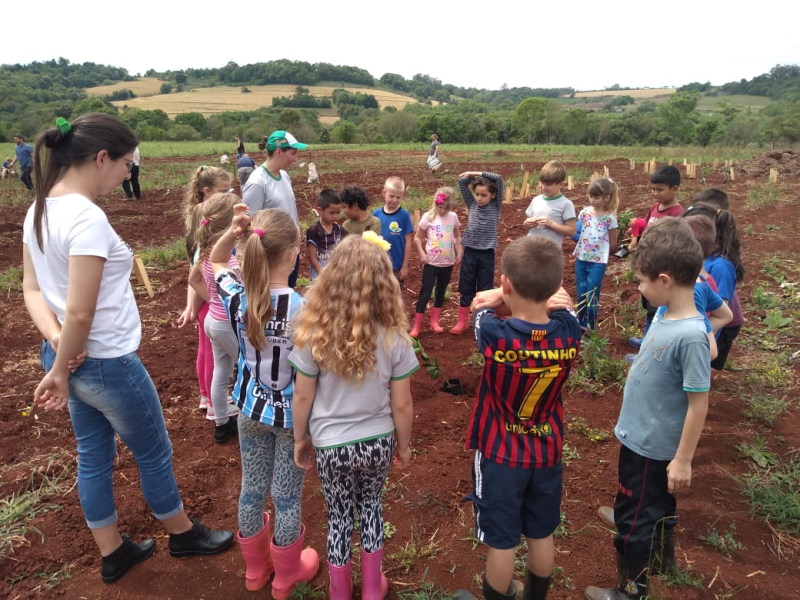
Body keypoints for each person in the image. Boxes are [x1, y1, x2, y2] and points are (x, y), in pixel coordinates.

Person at [22, 113, 232, 585]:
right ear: (101, 158)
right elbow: (81, 312)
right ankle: (182, 534)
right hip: (106, 362)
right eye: (125, 166)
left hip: (68, 355)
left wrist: (57, 348)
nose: (126, 176)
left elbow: (32, 290)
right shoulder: (86, 217)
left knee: (92, 454)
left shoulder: (39, 210)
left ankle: (113, 552)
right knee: (154, 451)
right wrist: (61, 366)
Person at [585, 218, 711, 600]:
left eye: (642, 281)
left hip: (650, 446)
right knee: (656, 501)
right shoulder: (664, 312)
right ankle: (661, 558)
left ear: (666, 280)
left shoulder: (689, 335)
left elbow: (699, 403)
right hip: (646, 437)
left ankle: (630, 589)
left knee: (633, 518)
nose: (639, 288)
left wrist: (683, 460)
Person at [289, 233, 417, 600]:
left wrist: (300, 438)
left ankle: (340, 592)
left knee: (339, 518)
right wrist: (403, 446)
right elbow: (402, 404)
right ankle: (373, 589)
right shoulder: (395, 337)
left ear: (331, 279)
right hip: (377, 442)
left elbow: (302, 394)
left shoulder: (314, 332)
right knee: (372, 507)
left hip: (331, 446)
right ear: (383, 283)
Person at [453, 236, 580, 600]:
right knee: (541, 532)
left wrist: (499, 293)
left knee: (502, 540)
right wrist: (519, 291)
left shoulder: (493, 332)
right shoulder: (570, 330)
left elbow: (482, 306)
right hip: (547, 452)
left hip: (500, 455)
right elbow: (564, 304)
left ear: (506, 283)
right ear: (555, 285)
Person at [210, 206, 319, 597]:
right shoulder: (307, 310)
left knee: (252, 489)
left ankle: (256, 570)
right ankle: (287, 576)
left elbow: (216, 261)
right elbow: (313, 374)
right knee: (287, 497)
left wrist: (233, 231)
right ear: (292, 254)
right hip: (292, 421)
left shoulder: (238, 298)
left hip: (249, 411)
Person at [178, 165, 232, 414]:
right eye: (223, 191)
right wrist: (208, 300)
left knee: (205, 348)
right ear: (207, 191)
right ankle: (213, 402)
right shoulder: (210, 229)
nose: (228, 195)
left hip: (204, 299)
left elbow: (194, 270)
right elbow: (196, 273)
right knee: (213, 353)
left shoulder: (201, 218)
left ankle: (205, 395)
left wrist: (192, 305)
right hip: (212, 301)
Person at [188, 193, 241, 443]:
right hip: (227, 324)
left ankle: (221, 423)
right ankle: (251, 417)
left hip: (212, 320)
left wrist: (212, 300)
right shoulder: (228, 259)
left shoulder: (205, 253)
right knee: (248, 366)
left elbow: (193, 280)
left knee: (221, 371)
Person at [626, 166, 683, 349]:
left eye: (660, 189)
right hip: (648, 265)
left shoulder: (677, 214)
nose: (655, 193)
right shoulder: (655, 208)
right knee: (648, 304)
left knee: (656, 309)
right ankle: (646, 340)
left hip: (661, 269)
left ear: (674, 188)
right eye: (653, 189)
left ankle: (649, 347)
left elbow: (673, 243)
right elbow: (645, 226)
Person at [242, 130, 308, 287]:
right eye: (293, 153)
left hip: (290, 253)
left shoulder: (284, 176)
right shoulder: (258, 182)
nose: (295, 159)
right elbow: (248, 224)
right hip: (272, 260)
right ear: (279, 152)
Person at [683, 202, 744, 371]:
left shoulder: (721, 267)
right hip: (706, 323)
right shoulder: (704, 259)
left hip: (720, 328)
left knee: (700, 366)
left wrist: (703, 341)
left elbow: (719, 309)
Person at [451, 171, 505, 335]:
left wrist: (478, 173)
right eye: (477, 194)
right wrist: (474, 179)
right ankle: (462, 322)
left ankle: (481, 322)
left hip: (486, 253)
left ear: (493, 195)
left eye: (484, 195)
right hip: (470, 252)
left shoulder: (495, 206)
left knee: (485, 288)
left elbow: (498, 178)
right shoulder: (472, 204)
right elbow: (462, 182)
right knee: (466, 286)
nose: (479, 198)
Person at [409, 187, 462, 337]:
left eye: (446, 208)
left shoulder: (453, 217)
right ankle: (416, 327)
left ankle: (434, 322)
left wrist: (460, 250)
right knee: (425, 293)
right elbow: (417, 238)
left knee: (440, 292)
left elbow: (456, 236)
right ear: (435, 203)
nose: (443, 210)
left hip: (447, 263)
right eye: (440, 207)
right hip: (431, 263)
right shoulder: (428, 217)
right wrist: (421, 253)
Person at [573, 178, 619, 330]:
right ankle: (580, 325)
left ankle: (591, 327)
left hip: (597, 263)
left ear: (606, 197)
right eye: (590, 196)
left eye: (596, 197)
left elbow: (613, 243)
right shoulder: (584, 213)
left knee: (592, 294)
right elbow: (578, 231)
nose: (592, 200)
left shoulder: (610, 219)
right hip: (581, 258)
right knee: (581, 293)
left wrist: (602, 252)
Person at [523, 160, 577, 246]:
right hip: (531, 248)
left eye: (548, 184)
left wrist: (551, 224)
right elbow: (526, 223)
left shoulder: (566, 204)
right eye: (542, 183)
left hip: (550, 251)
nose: (543, 187)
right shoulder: (536, 200)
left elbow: (571, 231)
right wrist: (527, 223)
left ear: (561, 184)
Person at [372, 176, 413, 283]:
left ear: (402, 195)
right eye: (391, 196)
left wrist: (404, 266)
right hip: (379, 264)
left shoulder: (404, 215)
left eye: (398, 197)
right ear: (384, 193)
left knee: (396, 291)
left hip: (396, 266)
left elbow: (408, 242)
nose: (394, 200)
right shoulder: (376, 214)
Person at [306, 189, 346, 280]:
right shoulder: (314, 230)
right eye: (332, 213)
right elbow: (312, 256)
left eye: (338, 212)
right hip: (319, 274)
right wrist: (320, 272)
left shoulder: (340, 230)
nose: (335, 216)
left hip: (336, 273)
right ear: (320, 210)